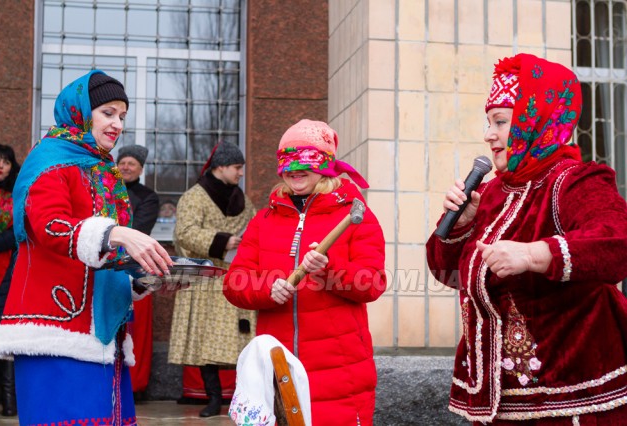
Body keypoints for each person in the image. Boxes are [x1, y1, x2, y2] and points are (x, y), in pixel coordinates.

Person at [426, 53, 627, 424]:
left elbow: (617, 243)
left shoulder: (574, 181)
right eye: (488, 123)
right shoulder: (489, 194)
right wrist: (459, 225)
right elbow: (444, 270)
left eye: (501, 122)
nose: (488, 135)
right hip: (498, 399)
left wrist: (536, 254)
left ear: (536, 122)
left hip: (568, 398)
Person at [0, 70, 173, 425]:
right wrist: (116, 234)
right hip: (57, 329)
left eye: (122, 116)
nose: (117, 123)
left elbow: (106, 258)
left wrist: (147, 278)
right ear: (80, 110)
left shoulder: (102, 169)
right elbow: (48, 226)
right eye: (108, 112)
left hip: (103, 333)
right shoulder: (50, 161)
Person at [223, 119, 386, 425]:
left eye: (305, 162)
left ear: (325, 165)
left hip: (341, 374)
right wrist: (268, 288)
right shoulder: (264, 220)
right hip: (278, 370)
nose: (295, 171)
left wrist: (328, 272)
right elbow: (234, 283)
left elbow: (372, 283)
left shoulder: (355, 215)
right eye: (287, 162)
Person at [168, 141, 257, 418]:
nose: (241, 173)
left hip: (235, 278)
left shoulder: (243, 200)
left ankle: (243, 398)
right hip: (206, 280)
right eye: (237, 167)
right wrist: (223, 241)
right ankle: (214, 398)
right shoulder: (194, 197)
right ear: (221, 167)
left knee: (241, 342)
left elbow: (254, 227)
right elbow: (184, 233)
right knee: (206, 343)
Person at [117, 144, 160, 401]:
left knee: (137, 326)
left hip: (138, 266)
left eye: (131, 164)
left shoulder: (148, 196)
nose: (126, 167)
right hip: (107, 263)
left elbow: (139, 229)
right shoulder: (108, 191)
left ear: (141, 169)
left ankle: (136, 384)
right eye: (122, 162)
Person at [0, 144, 20, 416]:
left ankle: (10, 402)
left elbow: (17, 232)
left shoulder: (17, 195)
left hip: (5, 271)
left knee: (2, 335)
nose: (0, 166)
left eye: (6, 162)